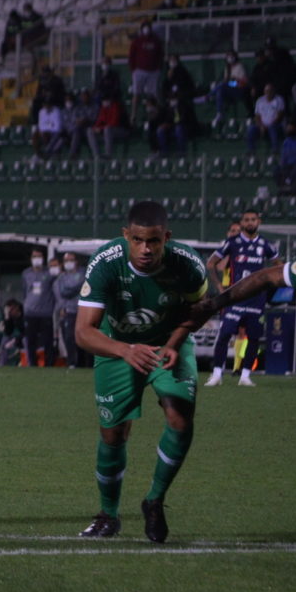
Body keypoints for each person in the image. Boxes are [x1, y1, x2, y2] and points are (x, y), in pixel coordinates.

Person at [75, 200, 209, 543]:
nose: (145, 249)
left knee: (179, 416)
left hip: (168, 344)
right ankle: (109, 515)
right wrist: (125, 350)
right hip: (118, 347)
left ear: (166, 237)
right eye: (137, 240)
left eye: (153, 241)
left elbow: (202, 308)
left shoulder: (187, 264)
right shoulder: (106, 262)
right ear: (126, 236)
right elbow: (83, 332)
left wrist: (176, 342)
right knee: (113, 434)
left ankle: (154, 500)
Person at [203, 208, 280, 388]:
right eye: (246, 220)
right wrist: (220, 286)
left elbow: (279, 266)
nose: (250, 223)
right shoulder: (233, 242)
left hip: (256, 299)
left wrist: (268, 284)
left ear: (258, 222)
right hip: (235, 297)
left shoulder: (266, 245)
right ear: (242, 222)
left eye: (253, 219)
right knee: (224, 335)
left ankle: (245, 376)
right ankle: (216, 375)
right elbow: (211, 263)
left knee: (253, 338)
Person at [22, 248, 56, 366]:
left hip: (45, 312)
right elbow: (24, 291)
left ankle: (49, 364)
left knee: (48, 341)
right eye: (34, 257)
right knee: (31, 341)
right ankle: (32, 363)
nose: (36, 259)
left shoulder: (49, 273)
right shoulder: (26, 273)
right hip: (30, 312)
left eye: (39, 257)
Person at [128, 21, 164, 124]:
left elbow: (160, 55)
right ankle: (133, 115)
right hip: (139, 71)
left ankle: (154, 114)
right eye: (145, 28)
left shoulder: (156, 41)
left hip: (153, 72)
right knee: (136, 94)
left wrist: (158, 68)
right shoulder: (137, 41)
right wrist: (133, 69)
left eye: (148, 27)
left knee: (152, 94)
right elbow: (131, 56)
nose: (146, 30)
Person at [53, 251, 85, 367]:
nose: (68, 263)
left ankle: (83, 363)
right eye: (66, 261)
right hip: (69, 311)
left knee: (83, 338)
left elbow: (82, 284)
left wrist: (70, 289)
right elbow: (62, 293)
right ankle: (72, 362)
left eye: (71, 260)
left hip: (82, 311)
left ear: (76, 261)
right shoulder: (62, 277)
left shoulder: (83, 273)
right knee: (69, 337)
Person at [207, 50, 250, 125]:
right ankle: (219, 113)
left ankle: (208, 96)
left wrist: (234, 80)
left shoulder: (240, 67)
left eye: (231, 56)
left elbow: (244, 82)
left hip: (238, 88)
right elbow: (226, 80)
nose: (229, 58)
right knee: (220, 90)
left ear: (235, 57)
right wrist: (227, 81)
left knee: (222, 85)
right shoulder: (227, 68)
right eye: (228, 56)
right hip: (229, 88)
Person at [248, 83, 286, 157]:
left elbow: (280, 116)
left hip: (276, 125)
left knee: (272, 127)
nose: (268, 92)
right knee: (251, 129)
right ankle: (251, 150)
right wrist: (261, 126)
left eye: (270, 90)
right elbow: (257, 116)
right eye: (267, 91)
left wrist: (269, 125)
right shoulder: (260, 100)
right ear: (264, 92)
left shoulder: (279, 100)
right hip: (262, 126)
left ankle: (275, 149)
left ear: (273, 91)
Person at [91, 93, 128, 159]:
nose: (104, 102)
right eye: (103, 101)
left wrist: (100, 129)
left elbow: (114, 123)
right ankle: (96, 155)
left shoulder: (116, 106)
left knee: (107, 129)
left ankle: (108, 154)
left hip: (122, 130)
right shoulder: (103, 108)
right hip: (108, 131)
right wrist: (95, 128)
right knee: (90, 131)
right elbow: (99, 121)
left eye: (105, 100)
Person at [66, 89, 99, 159]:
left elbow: (94, 119)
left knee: (88, 130)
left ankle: (96, 155)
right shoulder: (78, 107)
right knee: (76, 130)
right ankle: (72, 154)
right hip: (80, 128)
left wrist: (85, 120)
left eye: (85, 96)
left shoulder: (94, 106)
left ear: (89, 96)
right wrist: (79, 121)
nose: (83, 98)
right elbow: (74, 118)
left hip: (90, 127)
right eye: (82, 96)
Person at [0, 298, 24, 365]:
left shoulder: (24, 316)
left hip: (28, 338)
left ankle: (29, 364)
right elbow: (8, 332)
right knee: (4, 341)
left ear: (16, 308)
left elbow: (27, 332)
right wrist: (7, 317)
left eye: (10, 310)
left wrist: (14, 340)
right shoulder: (11, 317)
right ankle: (2, 365)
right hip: (18, 339)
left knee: (25, 340)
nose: (9, 312)